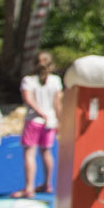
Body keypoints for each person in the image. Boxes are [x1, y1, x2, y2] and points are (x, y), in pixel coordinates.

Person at [17, 51, 63, 198]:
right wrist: (58, 120)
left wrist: (40, 112)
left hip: (34, 120)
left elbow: (28, 99)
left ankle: (29, 187)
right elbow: (57, 103)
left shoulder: (28, 80)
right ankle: (47, 184)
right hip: (50, 122)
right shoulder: (55, 81)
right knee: (46, 152)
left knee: (29, 153)